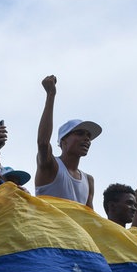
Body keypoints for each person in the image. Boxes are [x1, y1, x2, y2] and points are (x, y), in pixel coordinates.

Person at [35, 75, 101, 208]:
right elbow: (43, 143)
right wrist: (51, 95)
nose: (86, 138)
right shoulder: (51, 165)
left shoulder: (88, 181)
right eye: (80, 133)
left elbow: (89, 218)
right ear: (63, 141)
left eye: (88, 135)